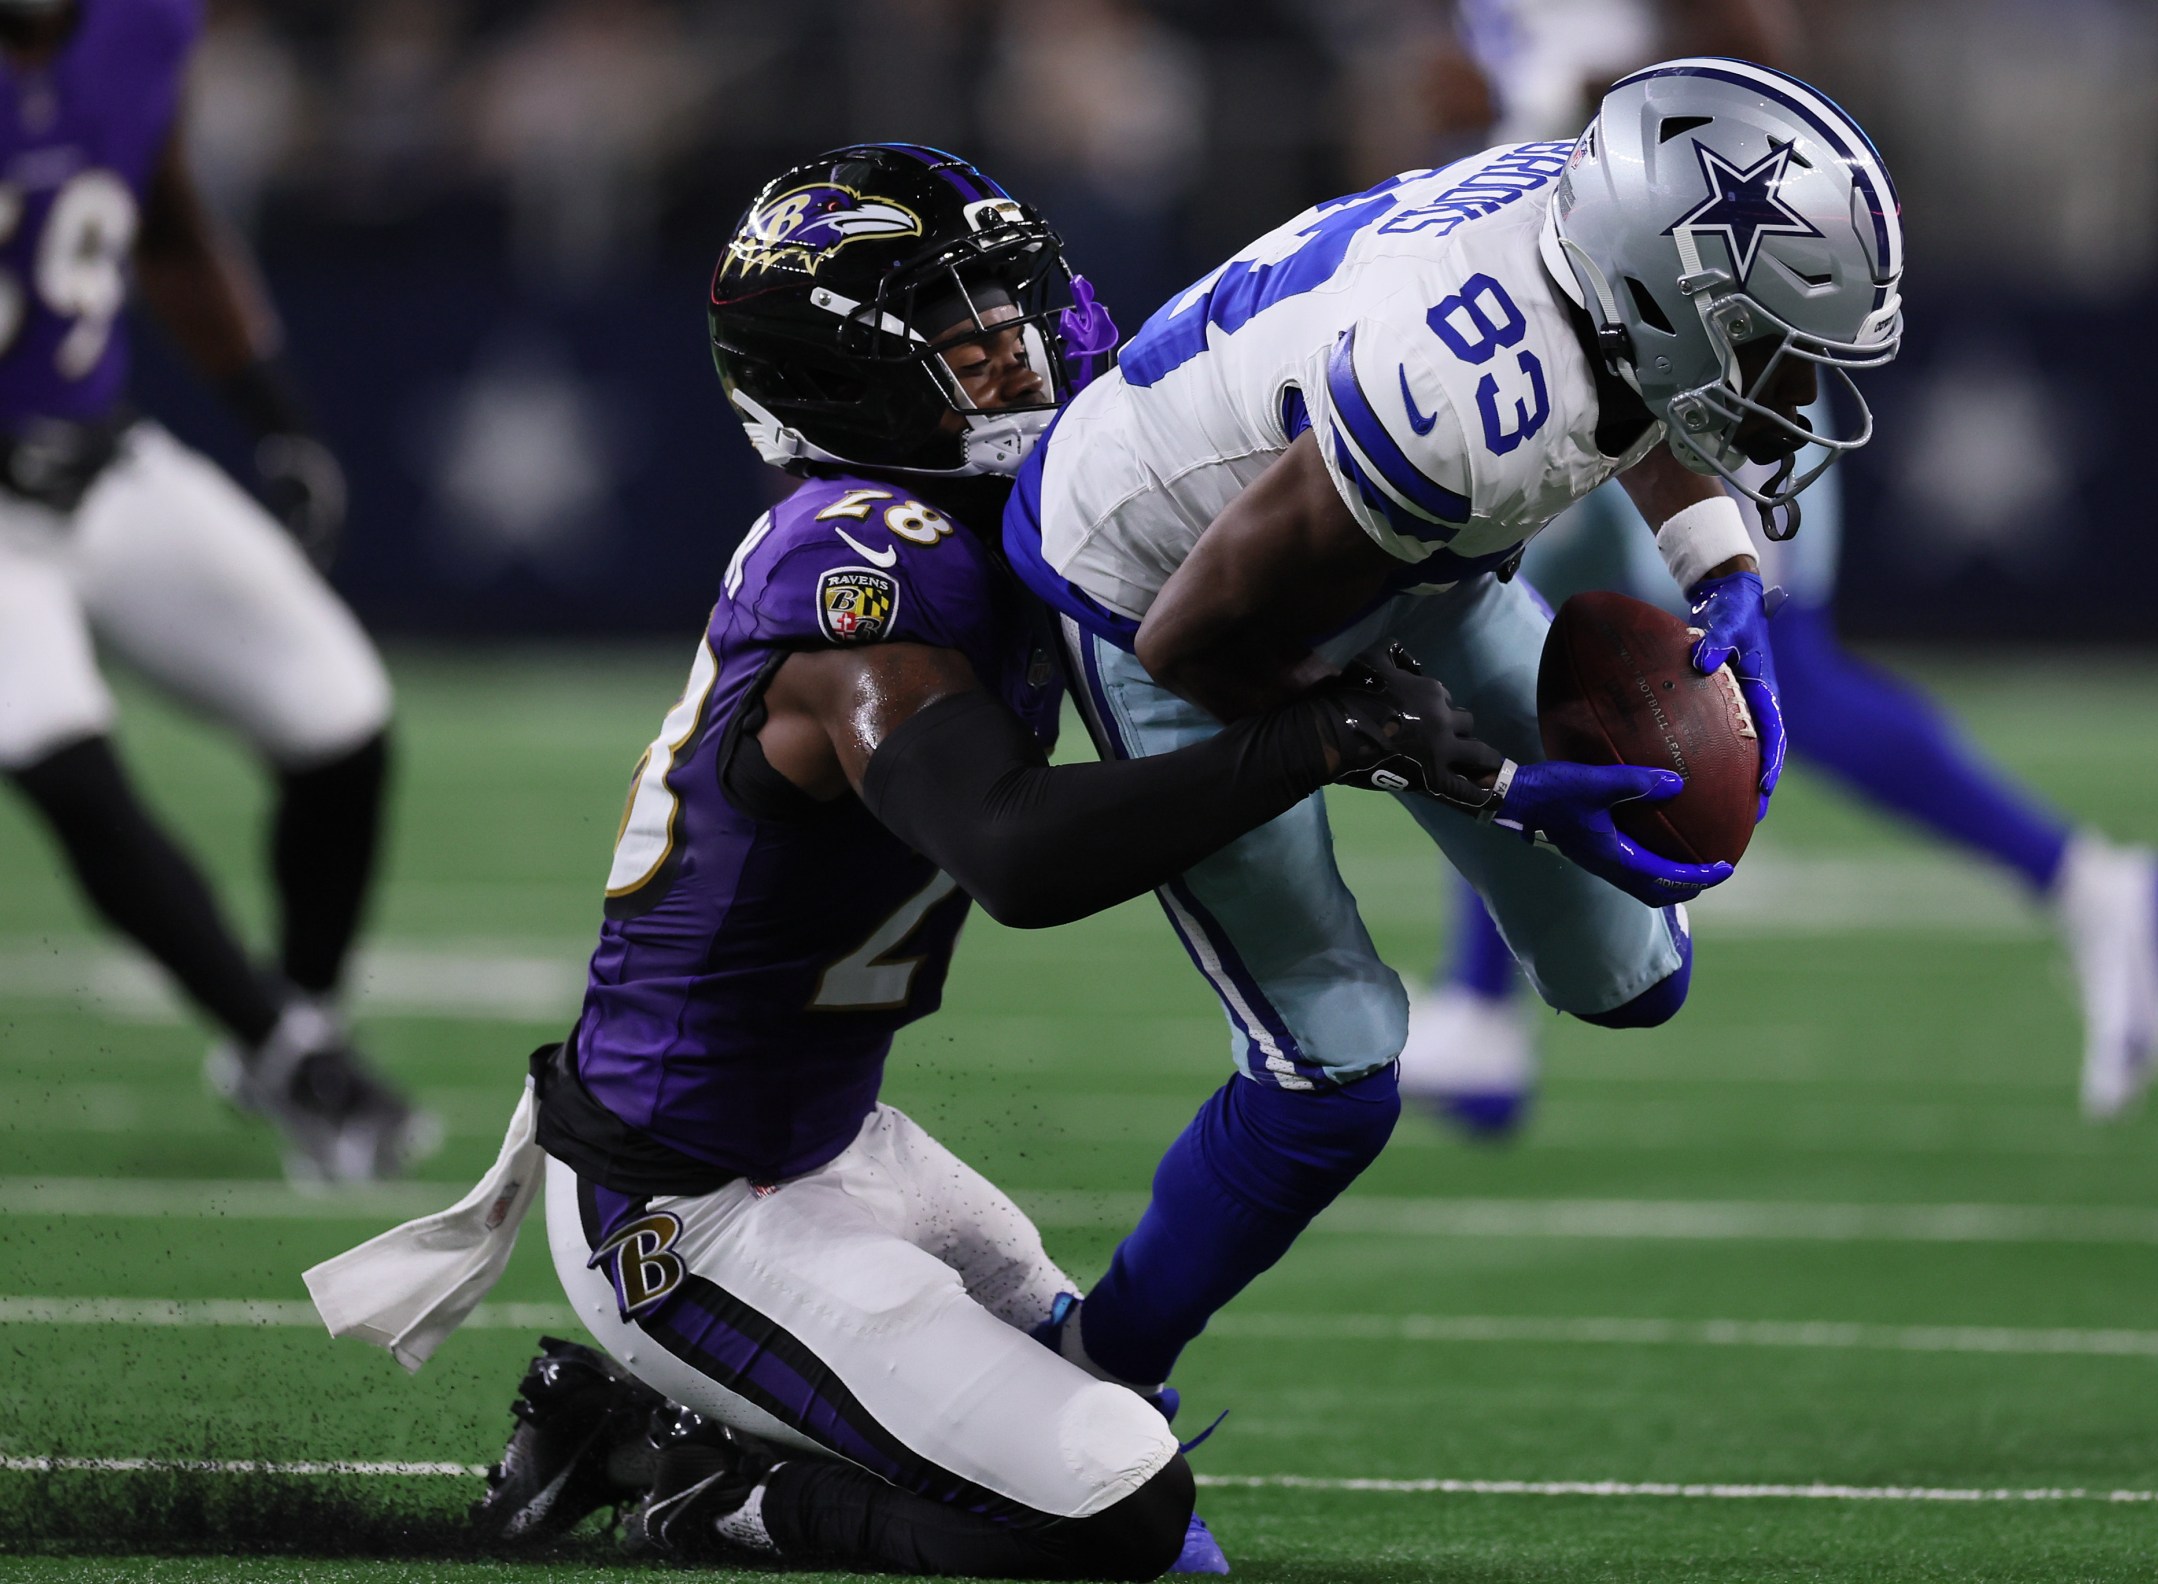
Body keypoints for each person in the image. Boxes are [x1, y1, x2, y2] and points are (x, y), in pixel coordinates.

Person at [309, 144, 1499, 1578]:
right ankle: (696, 1490)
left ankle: (648, 1422)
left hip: (832, 1144)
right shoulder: (859, 570)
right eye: (966, 334)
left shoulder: (989, 526)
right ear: (842, 380)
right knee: (1125, 1516)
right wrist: (1309, 744)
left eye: (1016, 312)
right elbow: (1011, 851)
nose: (1024, 351)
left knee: (1119, 1415)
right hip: (686, 1207)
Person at [1001, 58, 1898, 1400]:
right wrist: (1468, 774)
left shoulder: (1596, 249)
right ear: (1668, 291)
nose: (1791, 385)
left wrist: (1717, 562)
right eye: (1768, 341)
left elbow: (1635, 378)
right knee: (1335, 1070)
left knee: (1633, 972)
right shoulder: (1466, 405)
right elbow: (1203, 642)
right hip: (1156, 591)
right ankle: (1091, 1372)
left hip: (1393, 555)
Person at [1401, 4, 2158, 1135]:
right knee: (1492, 617)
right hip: (1542, 327)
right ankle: (1483, 1010)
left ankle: (2095, 886)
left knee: (1776, 670)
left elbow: (1762, 75)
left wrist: (1603, 95)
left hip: (1687, 340)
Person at [0, 0, 420, 1181]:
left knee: (339, 715)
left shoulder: (139, 30)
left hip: (100, 459)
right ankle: (295, 1060)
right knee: (62, 754)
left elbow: (169, 227)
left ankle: (303, 1017)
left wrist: (276, 419)